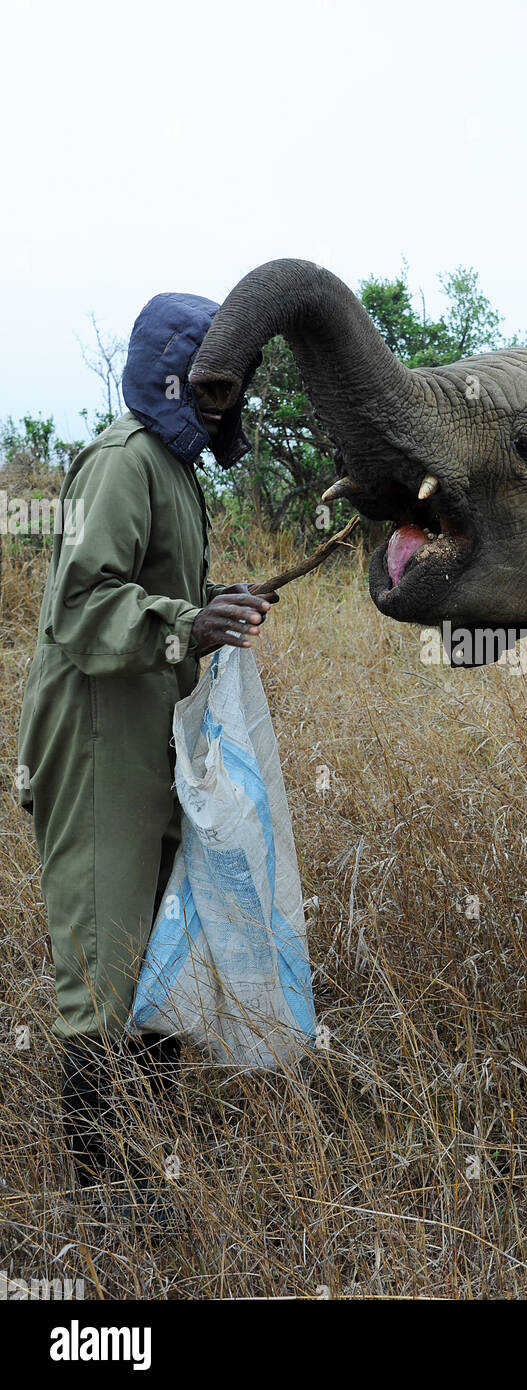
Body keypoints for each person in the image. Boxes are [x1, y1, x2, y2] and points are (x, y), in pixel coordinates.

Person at [17, 291, 278, 1219]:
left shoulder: (174, 468)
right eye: (208, 386)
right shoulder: (123, 462)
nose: (222, 404)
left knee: (156, 948)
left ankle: (139, 1177)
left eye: (230, 388)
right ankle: (103, 1209)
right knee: (102, 968)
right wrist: (187, 621)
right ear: (167, 374)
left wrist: (213, 602)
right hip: (96, 748)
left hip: (146, 738)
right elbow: (80, 608)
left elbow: (154, 591)